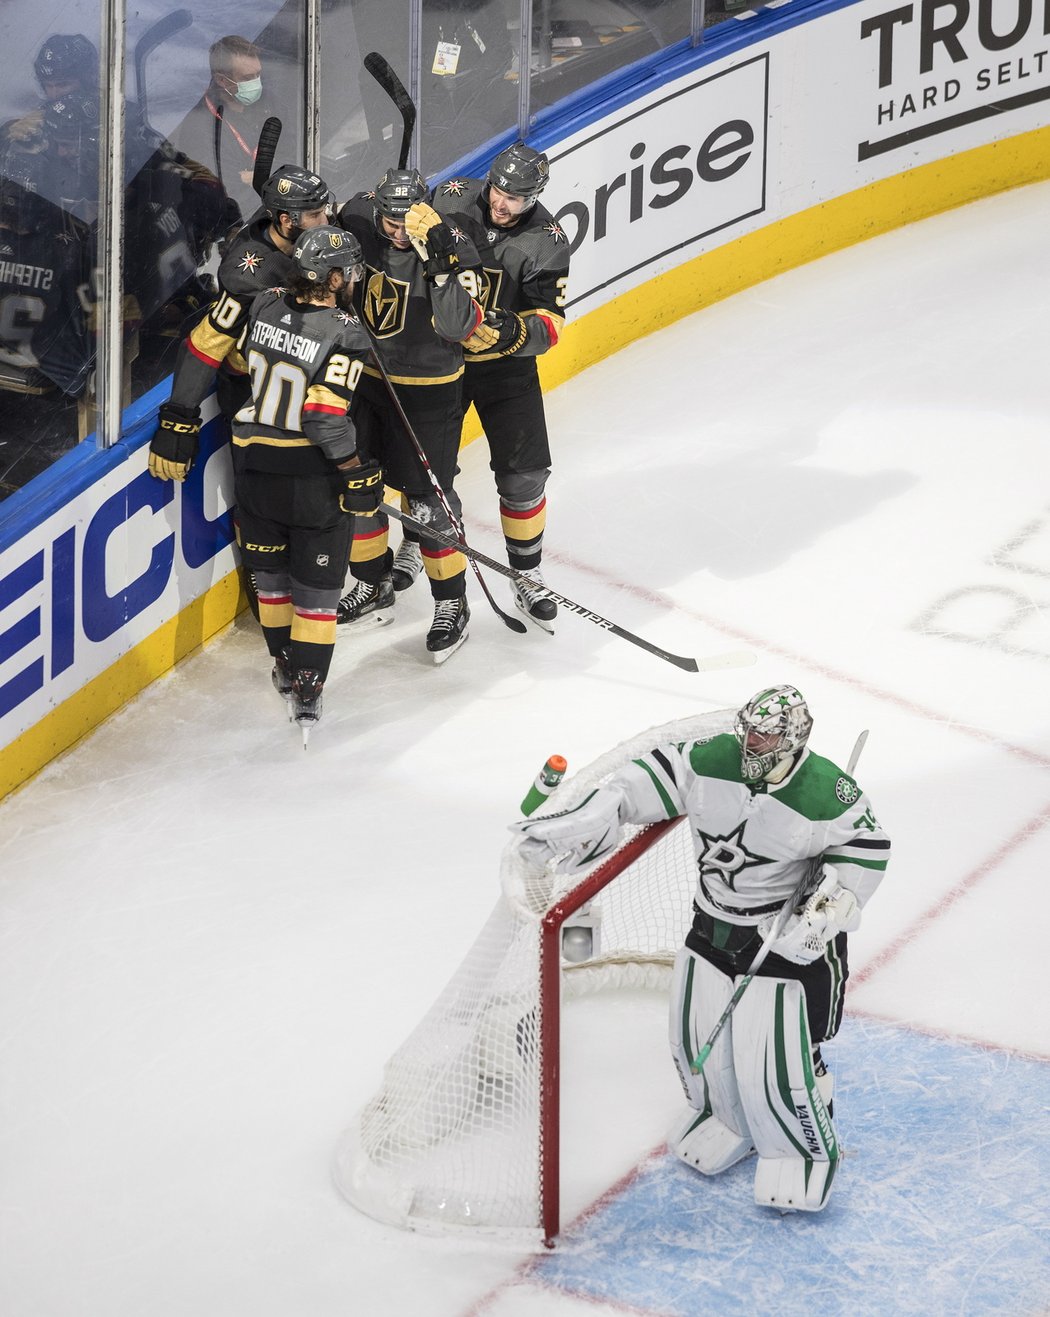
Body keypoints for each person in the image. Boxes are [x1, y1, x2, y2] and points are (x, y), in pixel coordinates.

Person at [512, 685, 891, 1213]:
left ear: (793, 737)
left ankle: (800, 1154)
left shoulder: (828, 791)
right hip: (711, 919)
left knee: (769, 1055)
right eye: (749, 731)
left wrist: (831, 904)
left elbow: (868, 849)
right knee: (694, 1033)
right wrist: (609, 803)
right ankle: (723, 1117)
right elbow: (655, 775)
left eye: (766, 734)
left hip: (776, 937)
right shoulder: (715, 758)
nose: (752, 743)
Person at [228, 225, 377, 737]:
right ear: (334, 278)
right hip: (310, 481)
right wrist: (355, 470)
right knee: (316, 592)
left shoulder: (265, 306)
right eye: (350, 271)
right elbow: (322, 415)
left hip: (251, 471)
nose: (354, 278)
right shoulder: (345, 331)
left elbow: (238, 359)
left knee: (270, 584)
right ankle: (308, 683)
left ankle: (284, 665)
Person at [335, 167, 485, 663]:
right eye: (389, 220)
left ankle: (452, 605)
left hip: (430, 392)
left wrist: (439, 266)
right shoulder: (357, 216)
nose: (398, 231)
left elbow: (460, 326)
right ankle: (374, 584)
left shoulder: (454, 244)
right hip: (368, 381)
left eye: (408, 222)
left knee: (428, 505)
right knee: (361, 490)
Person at [431, 142, 569, 632]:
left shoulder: (546, 241)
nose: (501, 202)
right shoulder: (448, 201)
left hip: (504, 369)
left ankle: (526, 574)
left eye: (516, 196)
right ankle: (437, 581)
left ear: (535, 196)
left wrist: (513, 331)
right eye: (499, 189)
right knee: (427, 478)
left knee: (525, 476)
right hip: (440, 362)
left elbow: (550, 323)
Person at [170, 35, 278, 222]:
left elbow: (291, 150)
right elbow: (223, 185)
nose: (256, 83)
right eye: (247, 78)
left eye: (258, 75)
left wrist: (256, 177)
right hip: (239, 217)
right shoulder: (200, 126)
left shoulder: (269, 101)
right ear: (222, 80)